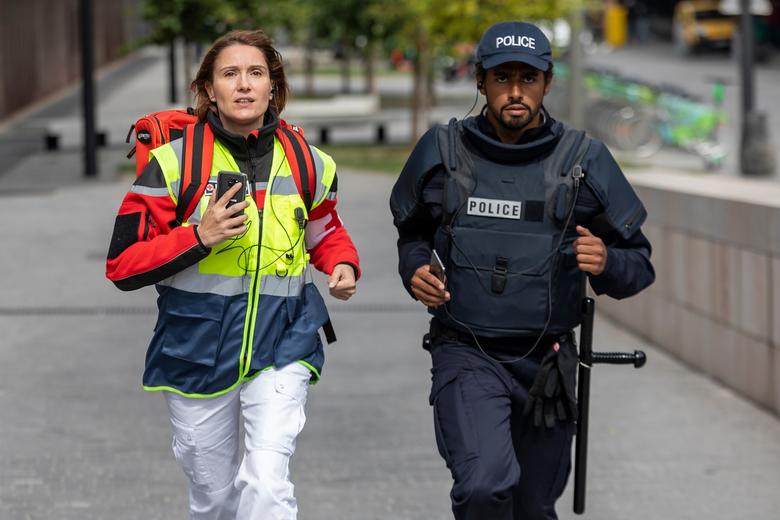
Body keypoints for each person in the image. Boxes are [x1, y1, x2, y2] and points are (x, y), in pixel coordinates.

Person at [390, 21, 654, 520]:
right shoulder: (441, 154)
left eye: (528, 79)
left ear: (547, 83)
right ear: (480, 80)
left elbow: (639, 265)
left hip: (548, 368)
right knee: (485, 486)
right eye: (502, 77)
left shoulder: (585, 161)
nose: (515, 91)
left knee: (534, 507)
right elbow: (413, 232)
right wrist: (414, 268)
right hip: (466, 353)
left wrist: (608, 261)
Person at [106, 30, 359, 520]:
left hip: (285, 342)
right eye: (230, 74)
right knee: (215, 501)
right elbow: (122, 264)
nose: (244, 85)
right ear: (209, 90)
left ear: (273, 87)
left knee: (266, 484)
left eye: (256, 73)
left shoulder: (311, 162)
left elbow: (325, 227)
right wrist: (198, 237)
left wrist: (342, 262)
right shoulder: (173, 164)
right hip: (195, 353)